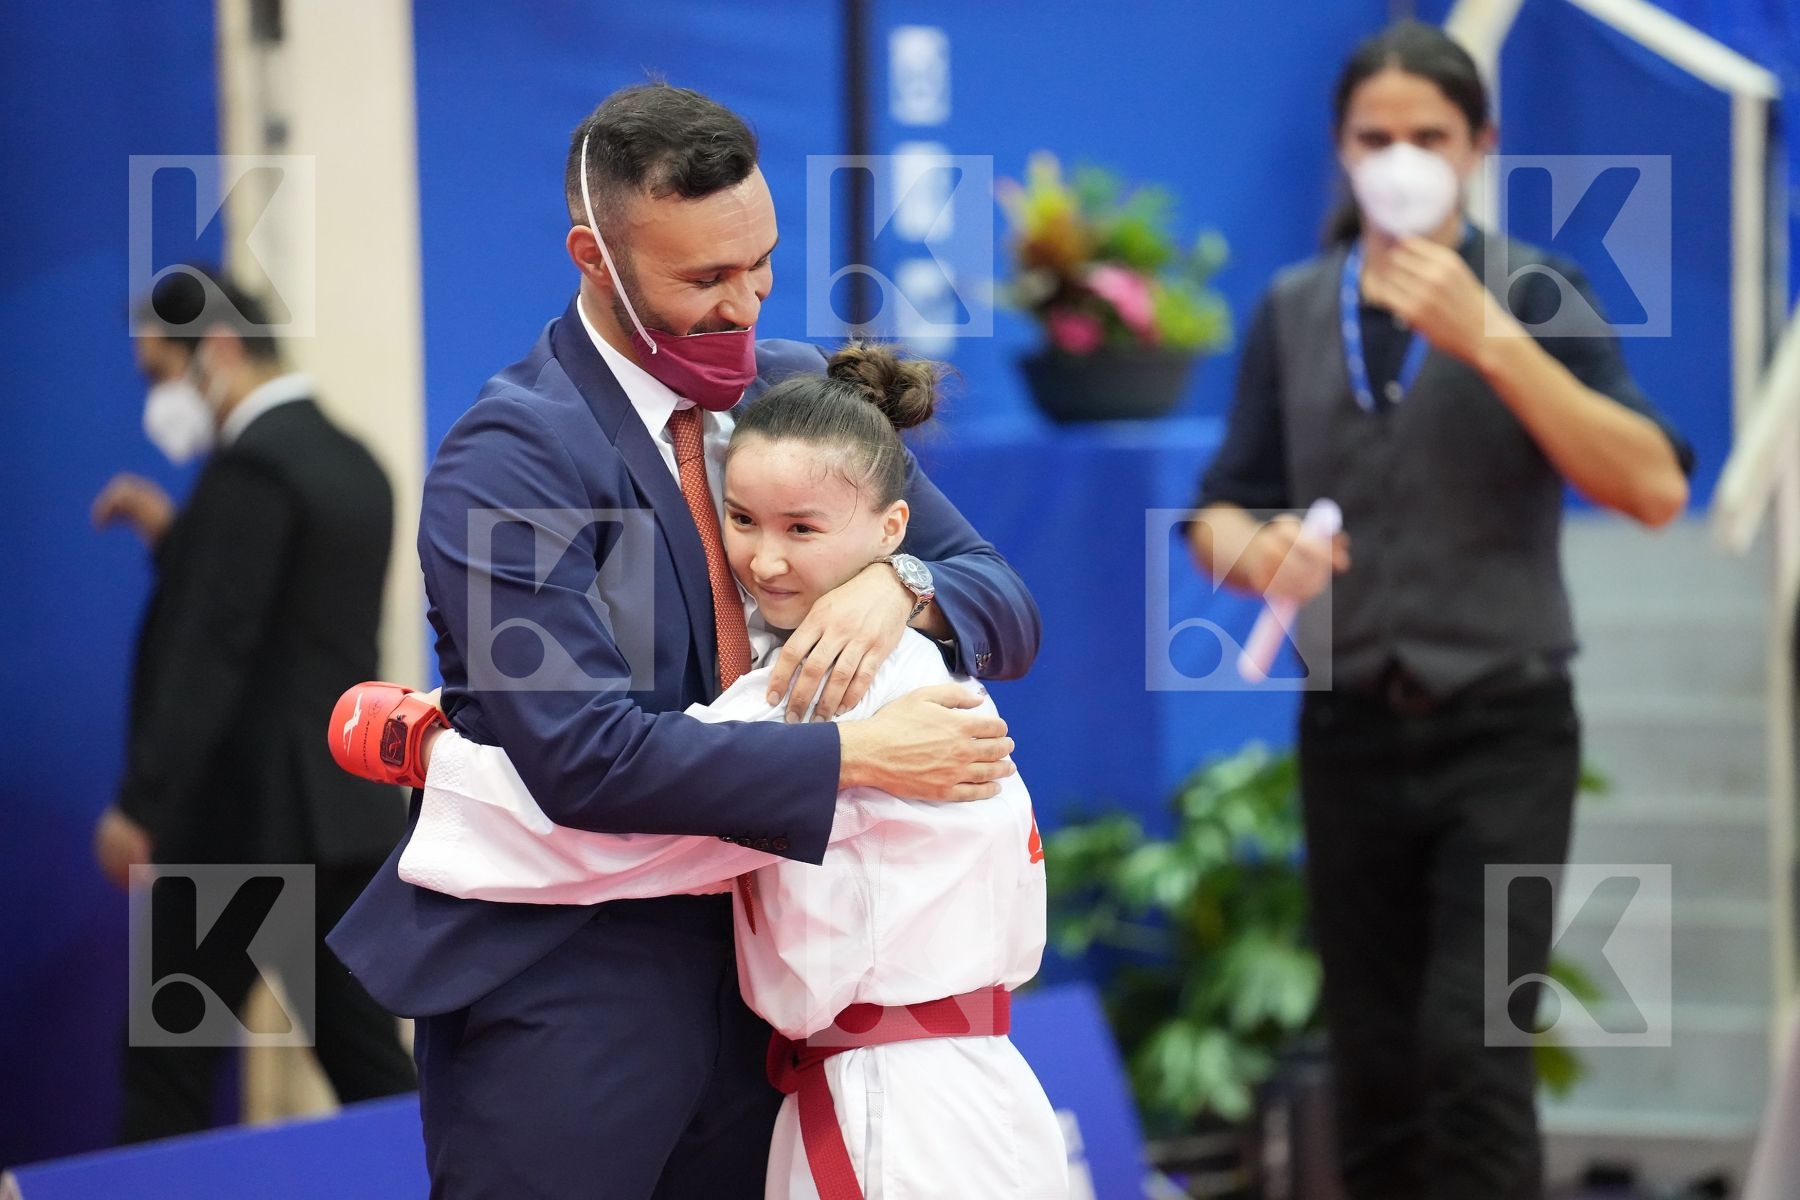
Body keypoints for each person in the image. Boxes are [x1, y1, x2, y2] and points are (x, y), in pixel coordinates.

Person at [325, 84, 1040, 1199]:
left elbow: (1003, 601)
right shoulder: (511, 457)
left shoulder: (793, 386)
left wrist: (898, 586)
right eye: (703, 280)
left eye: (758, 264)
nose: (743, 305)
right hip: (572, 970)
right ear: (594, 255)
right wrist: (859, 757)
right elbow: (585, 759)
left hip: (772, 975)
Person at [1187, 22, 1693, 1200]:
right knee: (1374, 1069)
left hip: (1504, 732)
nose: (1401, 159)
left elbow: (1656, 486)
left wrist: (1495, 340)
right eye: (1376, 138)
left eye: (1429, 136)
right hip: (1350, 729)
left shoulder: (1536, 291)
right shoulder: (1295, 306)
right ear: (1341, 152)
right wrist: (1252, 549)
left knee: (1477, 1054)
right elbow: (1220, 508)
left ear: (1480, 147)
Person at [95, 266, 416, 1142]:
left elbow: (216, 649)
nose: (159, 399)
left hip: (241, 830)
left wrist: (141, 802)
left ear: (220, 348)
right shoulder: (350, 462)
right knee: (374, 1074)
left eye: (160, 373)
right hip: (342, 821)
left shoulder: (251, 472)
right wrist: (181, 539)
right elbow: (287, 620)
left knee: (165, 1073)